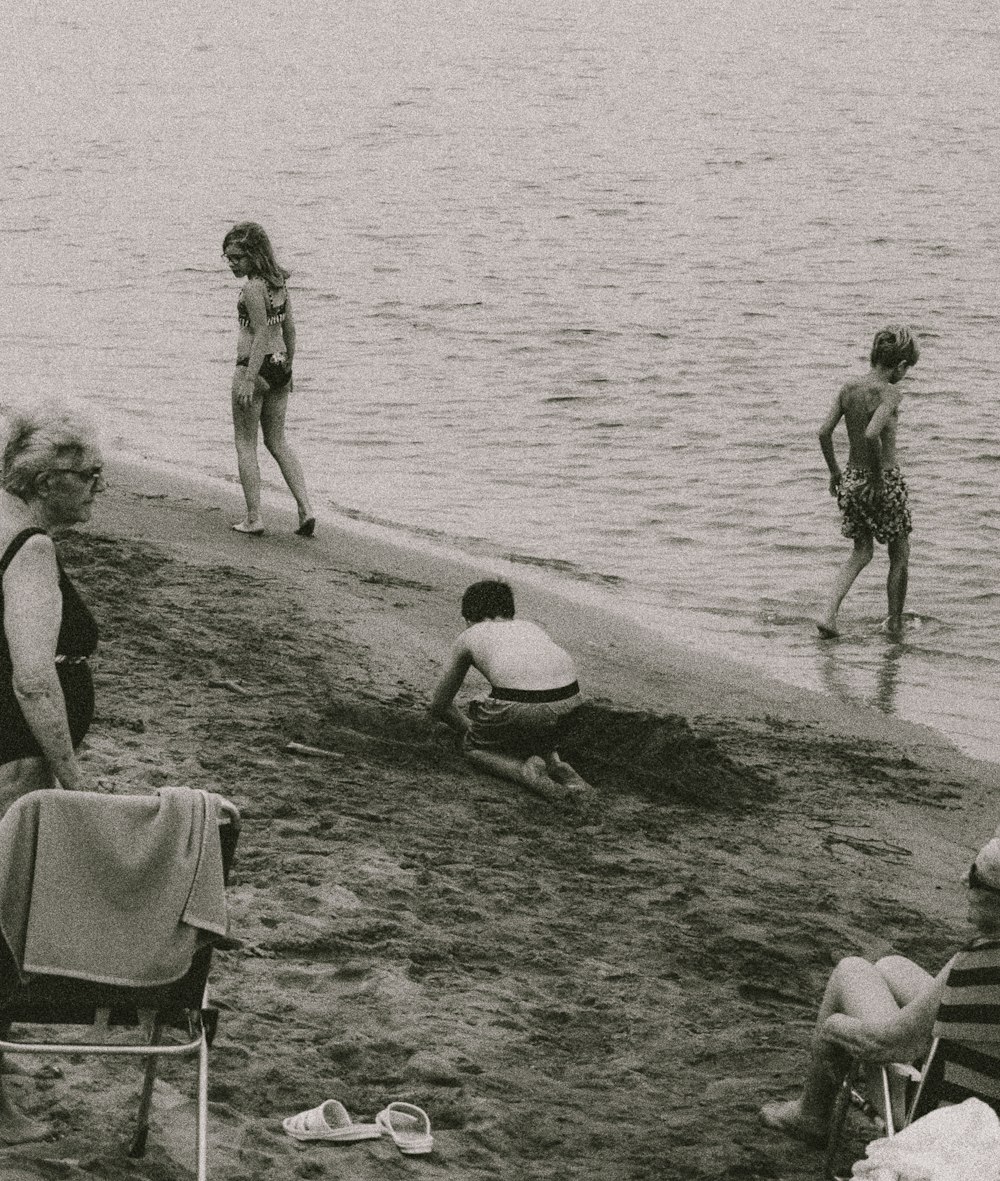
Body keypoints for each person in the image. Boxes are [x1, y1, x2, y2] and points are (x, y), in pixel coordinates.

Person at [0, 403, 105, 1144]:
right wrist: (72, 777)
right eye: (89, 475)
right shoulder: (30, 546)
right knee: (3, 925)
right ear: (48, 480)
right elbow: (35, 679)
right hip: (13, 757)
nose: (99, 486)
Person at [760, 833, 1000, 1145]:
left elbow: (895, 1045)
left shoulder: (978, 960)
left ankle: (811, 1115)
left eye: (973, 875)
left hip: (956, 1126)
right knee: (891, 966)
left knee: (851, 971)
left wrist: (833, 1028)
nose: (961, 880)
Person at [428, 580, 591, 799]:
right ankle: (554, 762)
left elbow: (439, 705)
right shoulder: (530, 627)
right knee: (533, 724)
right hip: (573, 704)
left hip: (522, 706)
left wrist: (470, 731)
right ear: (510, 612)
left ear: (468, 618)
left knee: (474, 748)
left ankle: (524, 773)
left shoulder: (470, 635)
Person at [816, 325, 920, 638]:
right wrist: (877, 478)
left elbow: (823, 432)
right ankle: (895, 625)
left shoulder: (848, 388)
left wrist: (835, 472)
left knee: (860, 553)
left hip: (851, 477)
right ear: (900, 366)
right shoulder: (890, 392)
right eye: (907, 369)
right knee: (900, 553)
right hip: (883, 479)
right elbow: (872, 433)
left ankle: (828, 615)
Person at [222, 221, 315, 537]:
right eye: (228, 258)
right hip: (279, 365)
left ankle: (253, 517)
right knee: (277, 441)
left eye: (237, 258)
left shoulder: (251, 288)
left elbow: (260, 331)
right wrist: (290, 369)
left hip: (253, 365)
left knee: (245, 443)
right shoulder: (279, 284)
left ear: (254, 255)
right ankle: (305, 509)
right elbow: (288, 330)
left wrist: (249, 379)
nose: (231, 264)